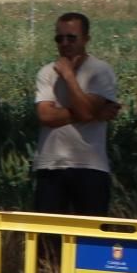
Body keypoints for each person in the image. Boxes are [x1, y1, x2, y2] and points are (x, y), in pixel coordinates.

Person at [32, 12, 120, 216]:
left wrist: (69, 77)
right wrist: (93, 113)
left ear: (86, 39)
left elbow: (84, 111)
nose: (64, 43)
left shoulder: (100, 71)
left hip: (90, 167)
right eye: (59, 38)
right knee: (47, 241)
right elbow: (46, 116)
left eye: (71, 37)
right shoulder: (46, 72)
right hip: (50, 165)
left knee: (88, 240)